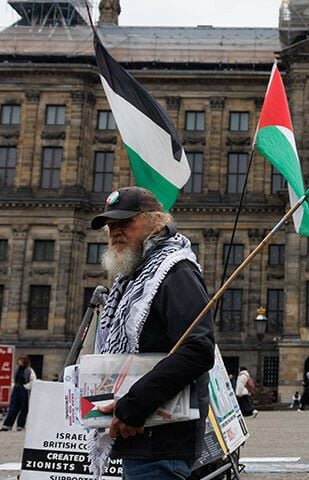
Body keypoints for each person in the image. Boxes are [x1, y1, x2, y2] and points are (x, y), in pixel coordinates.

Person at [89, 187, 215, 479]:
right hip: (143, 438)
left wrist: (133, 406)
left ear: (155, 222)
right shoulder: (134, 277)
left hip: (161, 444)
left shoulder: (175, 271)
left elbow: (198, 349)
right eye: (111, 226)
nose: (116, 232)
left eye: (125, 223)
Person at [0, 357, 36, 431]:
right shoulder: (16, 370)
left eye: (20, 361)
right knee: (13, 408)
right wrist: (13, 386)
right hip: (16, 389)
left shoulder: (29, 370)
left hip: (24, 390)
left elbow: (33, 380)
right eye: (18, 361)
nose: (19, 362)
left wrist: (26, 386)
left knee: (24, 408)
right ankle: (7, 425)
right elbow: (13, 379)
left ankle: (20, 425)